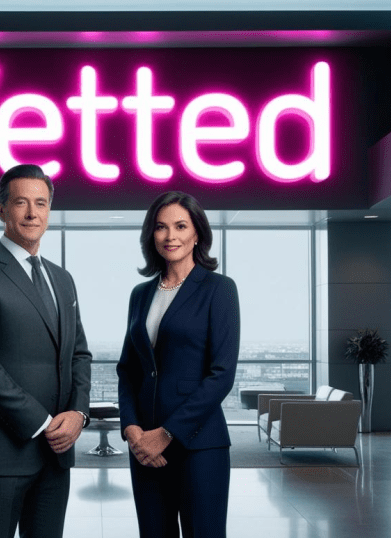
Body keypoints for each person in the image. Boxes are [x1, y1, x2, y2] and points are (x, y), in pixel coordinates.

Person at [0, 163, 92, 538]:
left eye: (41, 203)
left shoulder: (62, 279)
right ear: (1, 210)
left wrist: (77, 412)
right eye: (21, 203)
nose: (32, 213)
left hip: (57, 454)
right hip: (1, 452)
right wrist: (44, 424)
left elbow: (78, 353)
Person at [116, 191, 241, 538]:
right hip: (144, 446)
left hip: (198, 445)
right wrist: (132, 430)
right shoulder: (140, 295)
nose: (170, 236)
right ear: (151, 235)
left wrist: (167, 434)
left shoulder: (219, 289)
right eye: (161, 227)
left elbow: (221, 374)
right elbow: (129, 369)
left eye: (181, 226)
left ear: (197, 233)